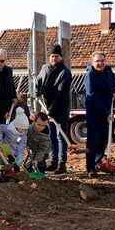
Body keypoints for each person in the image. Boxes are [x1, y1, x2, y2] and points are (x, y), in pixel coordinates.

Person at [36, 44, 72, 174]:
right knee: (51, 136)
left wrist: (52, 111)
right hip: (47, 107)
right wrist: (37, 92)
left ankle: (62, 164)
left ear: (60, 57)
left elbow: (61, 94)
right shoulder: (45, 68)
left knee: (60, 136)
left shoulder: (65, 73)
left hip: (60, 108)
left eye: (56, 56)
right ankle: (54, 161)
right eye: (52, 56)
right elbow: (38, 80)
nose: (54, 59)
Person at [83, 51, 115, 177]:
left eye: (102, 60)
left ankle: (98, 161)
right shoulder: (90, 75)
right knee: (93, 141)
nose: (100, 63)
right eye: (97, 61)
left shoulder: (108, 72)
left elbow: (113, 82)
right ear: (92, 62)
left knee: (104, 139)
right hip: (94, 113)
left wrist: (114, 92)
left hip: (106, 110)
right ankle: (90, 167)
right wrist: (105, 112)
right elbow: (92, 96)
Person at [0, 49, 18, 125]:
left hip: (9, 105)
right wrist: (3, 112)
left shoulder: (8, 70)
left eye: (2, 61)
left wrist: (14, 96)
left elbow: (11, 85)